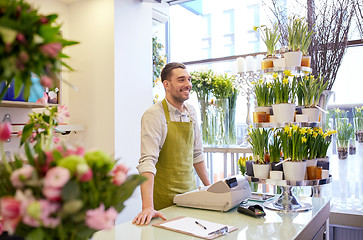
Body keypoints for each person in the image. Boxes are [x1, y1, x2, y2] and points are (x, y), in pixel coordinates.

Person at [133, 62, 211, 225]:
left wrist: (211, 190)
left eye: (189, 80)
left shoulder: (191, 111)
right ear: (166, 85)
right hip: (164, 202)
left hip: (190, 197)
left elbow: (197, 154)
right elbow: (147, 162)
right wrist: (147, 207)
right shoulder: (154, 115)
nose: (188, 84)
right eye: (181, 80)